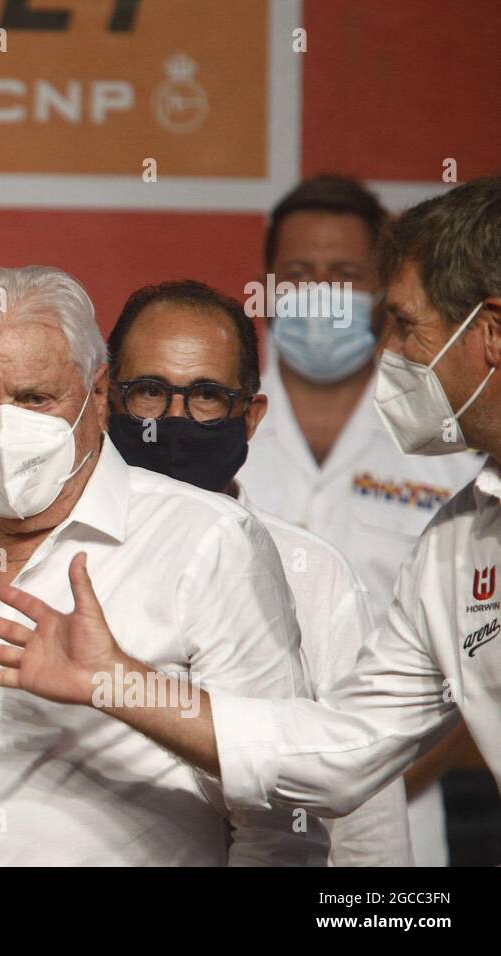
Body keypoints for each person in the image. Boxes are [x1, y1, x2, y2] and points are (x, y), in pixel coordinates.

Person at [0, 178, 501, 839]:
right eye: (150, 392)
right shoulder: (458, 544)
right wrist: (120, 682)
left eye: (408, 327)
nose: (388, 353)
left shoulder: (324, 564)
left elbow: (366, 820)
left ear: (492, 333)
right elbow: (342, 755)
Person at [0, 266, 327, 866]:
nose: (6, 427)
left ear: (99, 395)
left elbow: (281, 816)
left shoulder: (208, 540)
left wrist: (121, 683)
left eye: (35, 398)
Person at [105, 278, 411, 865]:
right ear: (106, 400)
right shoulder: (58, 558)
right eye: (148, 392)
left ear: (250, 416)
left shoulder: (313, 575)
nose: (175, 418)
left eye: (207, 397)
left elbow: (367, 830)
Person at [237, 176, 483, 864]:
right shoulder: (213, 424)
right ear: (265, 285)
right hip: (228, 811)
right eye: (299, 273)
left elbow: (482, 646)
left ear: (384, 291)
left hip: (404, 811)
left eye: (346, 275)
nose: (321, 291)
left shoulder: (448, 433)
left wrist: (395, 773)